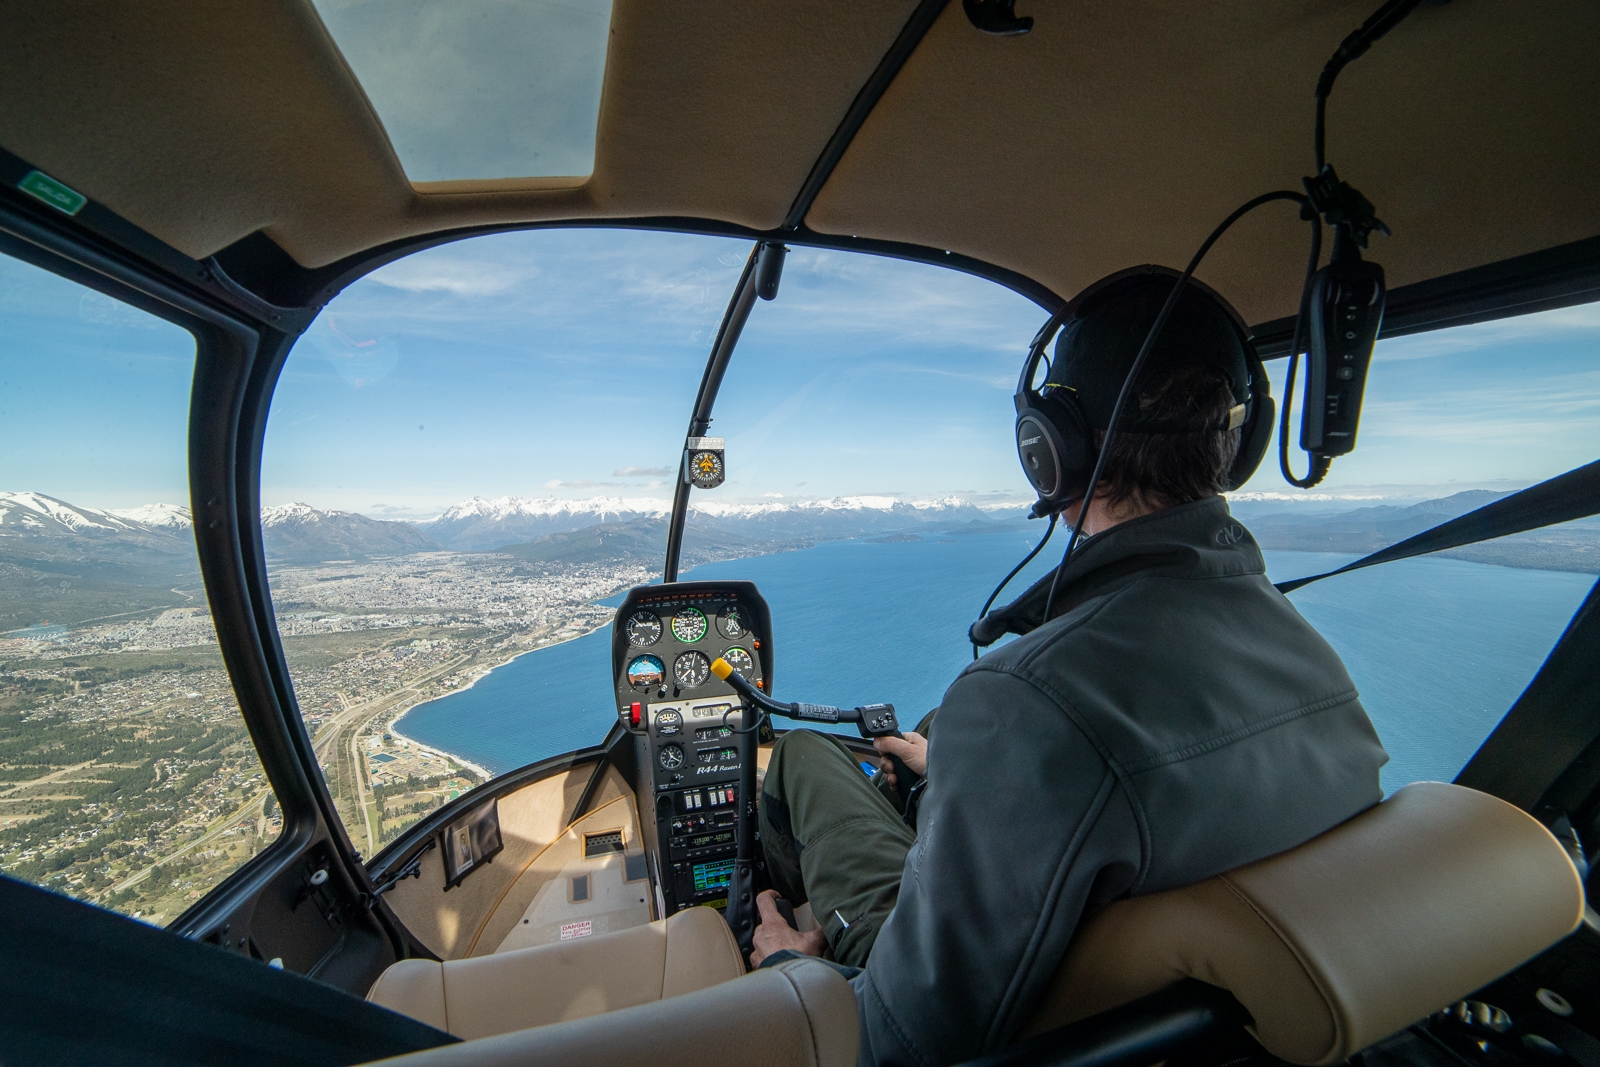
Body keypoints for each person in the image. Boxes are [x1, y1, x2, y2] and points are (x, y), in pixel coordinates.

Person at [748, 271, 1390, 1067]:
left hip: (991, 1013)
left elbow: (899, 1041)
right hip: (1163, 1017)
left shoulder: (1023, 698)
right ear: (1239, 443)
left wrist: (791, 967)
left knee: (806, 755)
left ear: (1049, 449)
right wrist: (960, 765)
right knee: (936, 736)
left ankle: (776, 908)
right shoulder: (1310, 657)